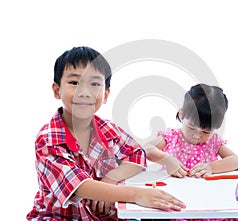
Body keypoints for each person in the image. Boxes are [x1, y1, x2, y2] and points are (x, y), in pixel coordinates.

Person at [26, 46, 186, 220]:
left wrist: (111, 178)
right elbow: (78, 186)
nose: (84, 92)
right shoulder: (49, 138)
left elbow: (137, 154)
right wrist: (135, 194)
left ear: (106, 94)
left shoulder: (107, 129)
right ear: (57, 90)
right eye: (74, 82)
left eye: (94, 84)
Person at [144, 84, 238, 221]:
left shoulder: (213, 142)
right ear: (181, 115)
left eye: (206, 132)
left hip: (206, 201)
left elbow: (235, 161)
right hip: (177, 200)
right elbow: (145, 148)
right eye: (191, 128)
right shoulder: (171, 137)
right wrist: (167, 159)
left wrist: (211, 167)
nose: (197, 136)